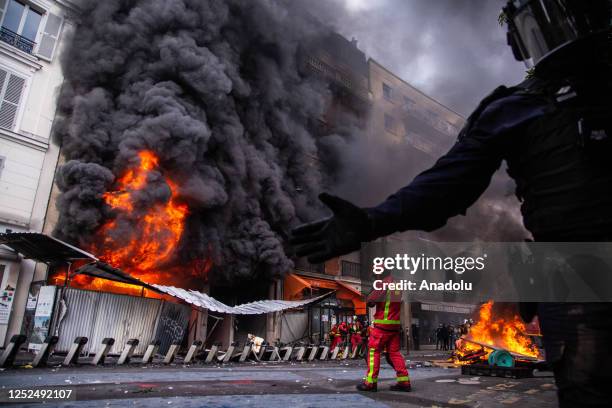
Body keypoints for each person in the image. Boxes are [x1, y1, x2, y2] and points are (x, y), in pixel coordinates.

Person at [291, 2, 611, 405]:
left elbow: (443, 190)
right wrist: (371, 221)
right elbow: (444, 187)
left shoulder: (517, 108)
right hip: (576, 276)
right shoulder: (517, 108)